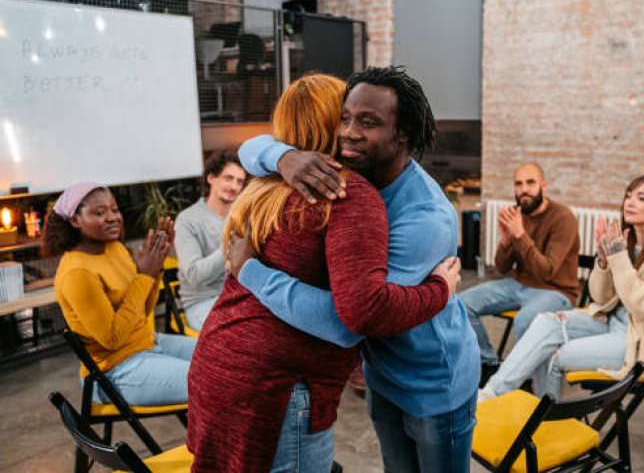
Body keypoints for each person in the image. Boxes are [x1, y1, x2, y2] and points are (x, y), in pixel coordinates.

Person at [186, 74, 462, 473]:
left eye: (365, 121)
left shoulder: (265, 186)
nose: (350, 131)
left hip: (219, 363)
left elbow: (252, 150)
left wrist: (280, 158)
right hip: (277, 385)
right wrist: (439, 289)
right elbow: (356, 318)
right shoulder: (343, 193)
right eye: (345, 117)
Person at [479, 176, 644, 402]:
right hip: (611, 322)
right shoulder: (628, 241)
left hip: (637, 343)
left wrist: (619, 258)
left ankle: (548, 423)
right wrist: (603, 262)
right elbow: (600, 297)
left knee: (549, 354)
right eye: (628, 196)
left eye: (641, 199)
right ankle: (491, 393)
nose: (630, 203)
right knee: (546, 322)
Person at [44, 183, 196, 405]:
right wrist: (144, 276)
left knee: (226, 355)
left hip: (147, 344)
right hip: (113, 371)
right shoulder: (77, 272)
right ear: (75, 221)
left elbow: (141, 312)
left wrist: (154, 269)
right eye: (99, 212)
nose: (112, 217)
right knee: (217, 379)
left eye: (114, 209)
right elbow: (112, 339)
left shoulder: (115, 249)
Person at [459, 162, 579, 382]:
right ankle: (489, 365)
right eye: (518, 184)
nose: (524, 189)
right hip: (519, 285)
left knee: (524, 320)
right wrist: (506, 241)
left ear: (544, 185)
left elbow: (547, 272)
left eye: (530, 183)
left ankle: (521, 381)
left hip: (557, 291)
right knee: (460, 305)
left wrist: (520, 236)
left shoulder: (563, 217)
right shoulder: (518, 215)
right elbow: (502, 268)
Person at [174, 150, 246, 330]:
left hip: (240, 297)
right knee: (240, 335)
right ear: (211, 178)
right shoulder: (187, 220)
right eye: (228, 178)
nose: (234, 186)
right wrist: (231, 244)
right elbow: (195, 275)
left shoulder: (240, 216)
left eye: (239, 181)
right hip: (202, 303)